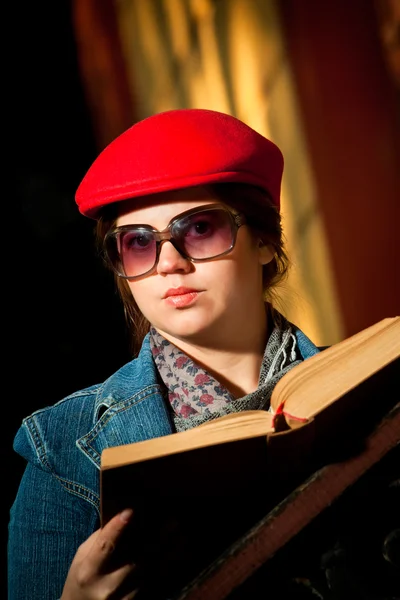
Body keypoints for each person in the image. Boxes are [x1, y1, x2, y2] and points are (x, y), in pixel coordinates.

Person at [8, 108, 323, 600]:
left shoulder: (369, 383)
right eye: (138, 243)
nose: (170, 263)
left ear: (264, 240)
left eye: (199, 229)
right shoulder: (60, 448)